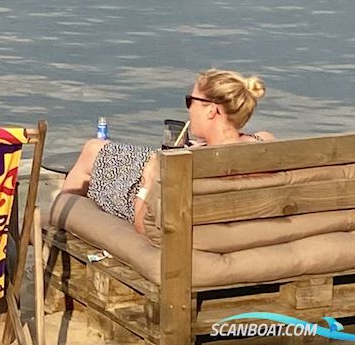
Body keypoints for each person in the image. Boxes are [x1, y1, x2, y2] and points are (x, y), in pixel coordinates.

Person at [61, 69, 272, 233]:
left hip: (151, 189)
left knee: (92, 150)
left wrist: (148, 180)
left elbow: (143, 224)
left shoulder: (195, 162)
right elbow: (241, 143)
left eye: (191, 101)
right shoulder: (265, 143)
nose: (188, 108)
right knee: (97, 150)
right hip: (186, 181)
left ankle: (57, 221)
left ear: (212, 110)